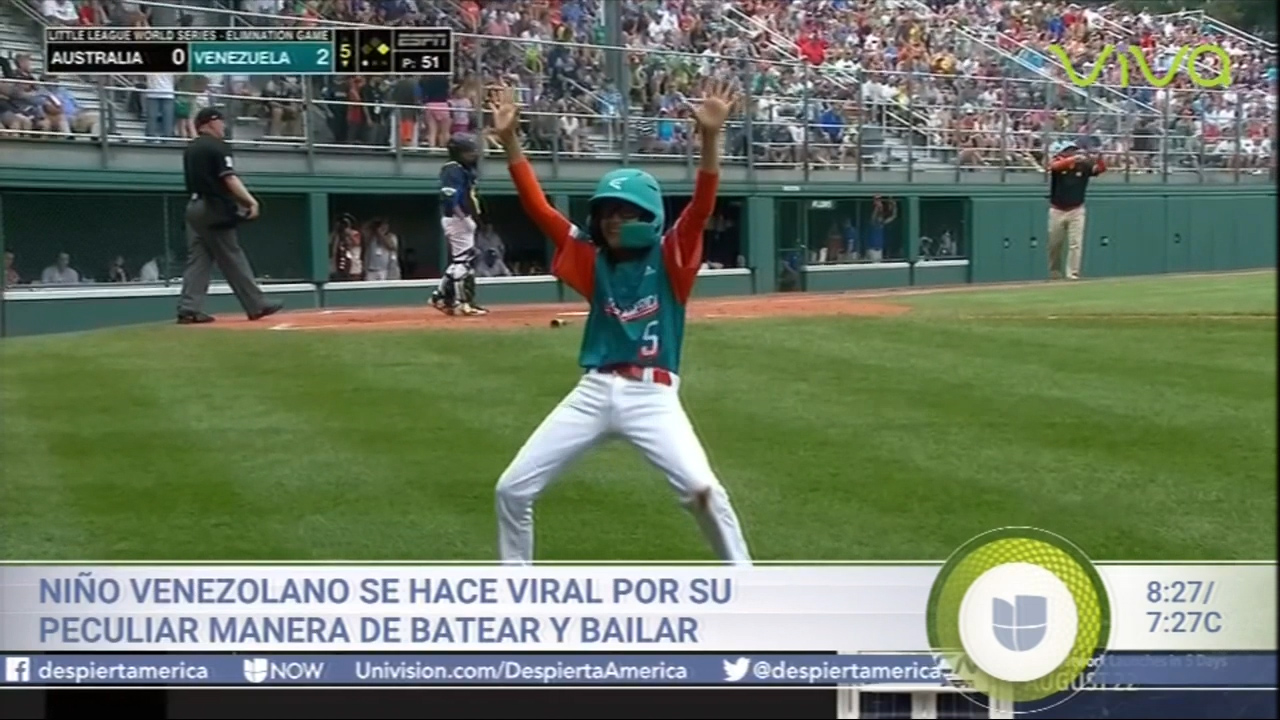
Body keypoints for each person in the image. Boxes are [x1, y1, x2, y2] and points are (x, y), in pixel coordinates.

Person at [490, 83, 753, 566]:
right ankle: (515, 600)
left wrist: (710, 139)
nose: (613, 220)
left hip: (652, 397)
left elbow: (701, 210)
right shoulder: (595, 262)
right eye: (607, 212)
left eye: (624, 212)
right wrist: (511, 143)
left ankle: (750, 588)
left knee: (704, 492)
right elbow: (542, 211)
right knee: (511, 489)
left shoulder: (671, 257)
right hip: (594, 391)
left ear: (648, 216)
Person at [176, 107, 282, 324]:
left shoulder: (192, 147)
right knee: (232, 256)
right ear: (208, 123)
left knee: (199, 259)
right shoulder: (217, 146)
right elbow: (229, 179)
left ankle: (189, 308)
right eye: (219, 120)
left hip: (194, 206)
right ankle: (256, 304)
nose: (223, 125)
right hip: (213, 208)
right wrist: (250, 201)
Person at [430, 133, 488, 316]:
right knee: (464, 262)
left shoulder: (462, 169)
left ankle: (440, 297)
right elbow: (450, 197)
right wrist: (464, 218)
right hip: (457, 219)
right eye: (469, 152)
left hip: (460, 219)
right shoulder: (452, 169)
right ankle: (463, 303)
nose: (473, 155)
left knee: (460, 261)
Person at [1046, 139, 1105, 281]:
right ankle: (1055, 273)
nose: (1072, 152)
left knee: (1075, 243)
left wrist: (1100, 159)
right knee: (1054, 244)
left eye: (1073, 150)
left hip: (1076, 209)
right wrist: (1073, 159)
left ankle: (1072, 273)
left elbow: (1099, 170)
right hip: (1057, 210)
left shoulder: (1083, 165)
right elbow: (1054, 167)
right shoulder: (1058, 162)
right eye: (1069, 150)